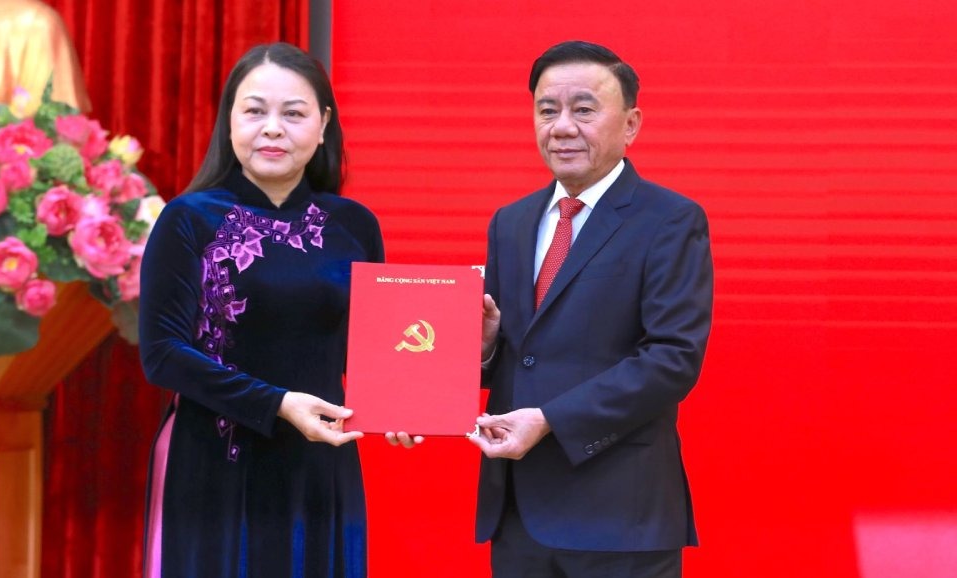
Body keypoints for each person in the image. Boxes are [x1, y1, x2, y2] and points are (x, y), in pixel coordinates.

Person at [139, 42, 414, 578]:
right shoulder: (188, 220)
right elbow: (162, 355)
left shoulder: (354, 225)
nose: (272, 128)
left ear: (323, 124)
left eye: (294, 113)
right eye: (255, 110)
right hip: (215, 461)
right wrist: (278, 404)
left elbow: (374, 350)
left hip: (319, 464)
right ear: (230, 121)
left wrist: (406, 403)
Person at [469, 40, 714, 578]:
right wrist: (485, 350)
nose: (561, 127)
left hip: (618, 516)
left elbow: (671, 359)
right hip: (517, 517)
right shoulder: (510, 222)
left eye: (583, 109)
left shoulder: (670, 220)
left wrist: (550, 419)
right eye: (547, 110)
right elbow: (521, 354)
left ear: (630, 124)